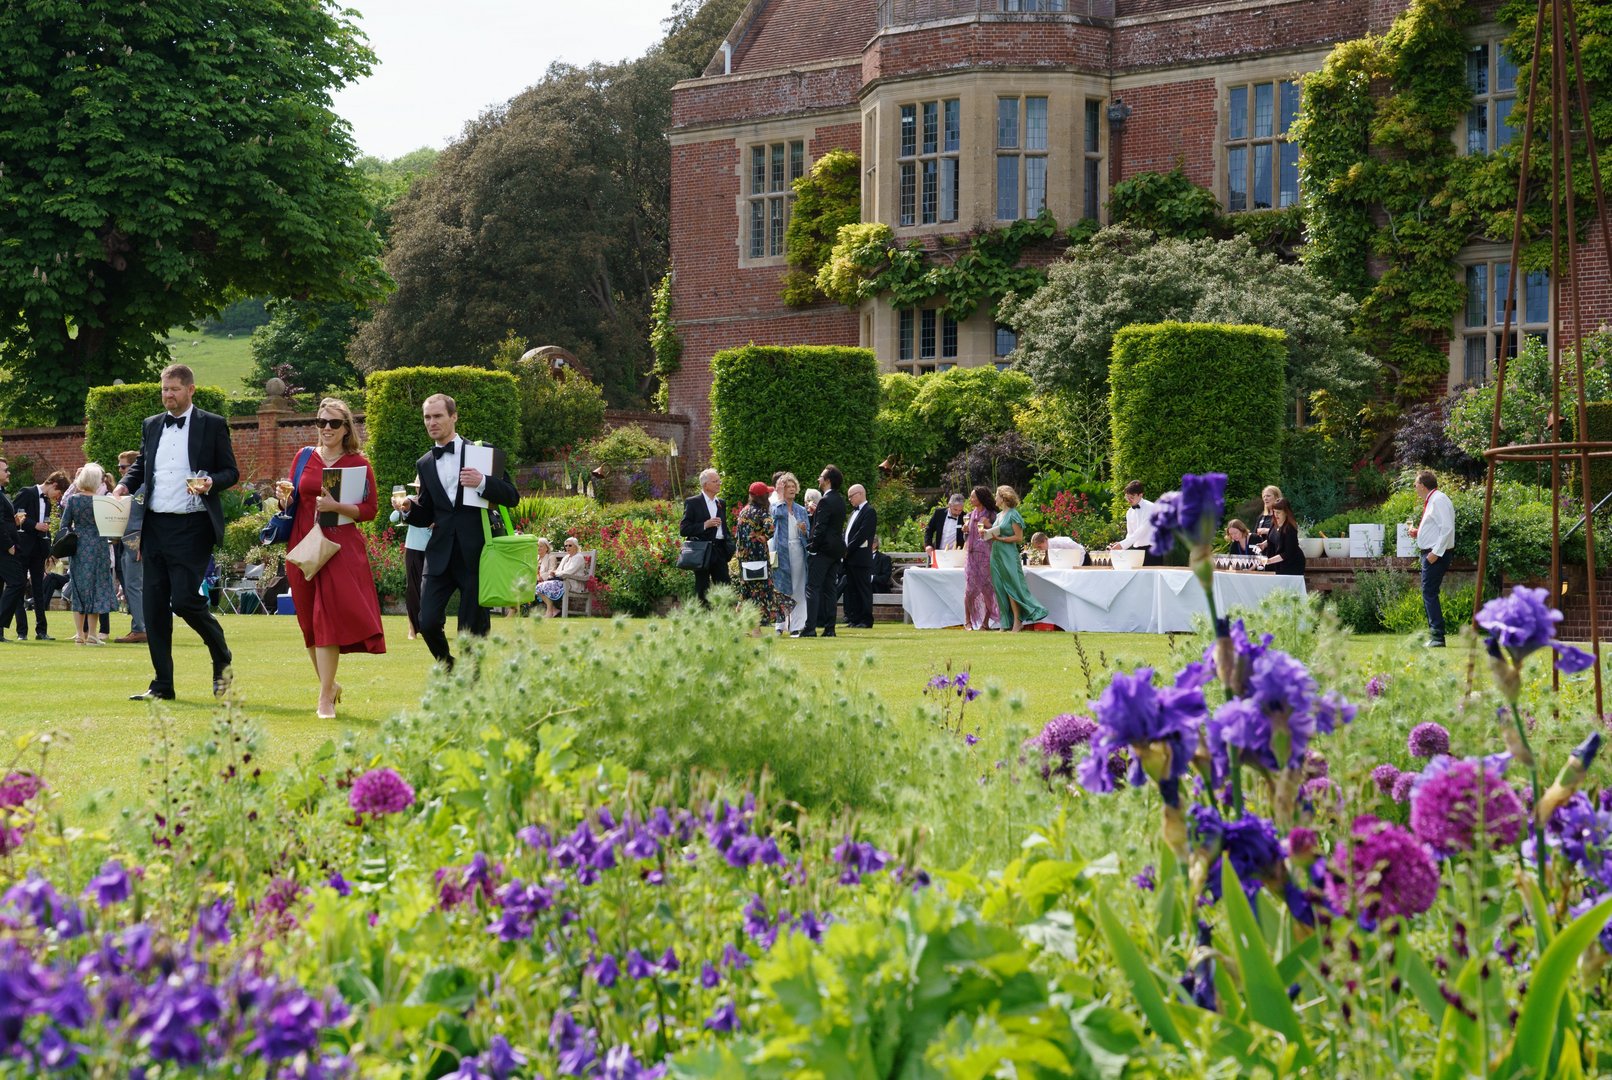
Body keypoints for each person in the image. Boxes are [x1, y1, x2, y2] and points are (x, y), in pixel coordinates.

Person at [114, 364, 238, 701]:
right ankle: (162, 686)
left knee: (184, 601)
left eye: (174, 389)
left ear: (190, 390)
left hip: (193, 526)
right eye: (165, 390)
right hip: (154, 526)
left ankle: (221, 656)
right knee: (154, 609)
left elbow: (231, 471)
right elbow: (142, 465)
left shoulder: (211, 424)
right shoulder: (152, 425)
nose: (168, 395)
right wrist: (125, 485)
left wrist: (212, 482)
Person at [400, 392, 521, 671]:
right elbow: (428, 512)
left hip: (476, 554)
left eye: (438, 416)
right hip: (440, 553)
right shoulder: (425, 463)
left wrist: (482, 482)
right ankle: (449, 666)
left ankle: (471, 682)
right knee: (426, 621)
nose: (432, 422)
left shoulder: (481, 452)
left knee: (472, 629)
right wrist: (409, 508)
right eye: (427, 417)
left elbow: (512, 497)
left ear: (453, 417)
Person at [285, 398, 385, 718]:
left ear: (346, 428)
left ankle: (324, 697)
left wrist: (336, 507)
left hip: (339, 546)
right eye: (321, 422)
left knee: (325, 617)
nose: (326, 429)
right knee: (308, 625)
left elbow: (370, 511)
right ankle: (330, 685)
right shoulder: (303, 457)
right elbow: (293, 500)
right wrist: (282, 501)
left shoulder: (358, 463)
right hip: (302, 544)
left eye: (333, 423)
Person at [57, 464, 117, 645]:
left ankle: (79, 634)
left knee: (78, 588)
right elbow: (111, 527)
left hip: (79, 547)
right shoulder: (101, 500)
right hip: (99, 546)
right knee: (96, 588)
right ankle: (92, 634)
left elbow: (64, 524)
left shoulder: (74, 500)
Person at [986, 485, 1049, 632]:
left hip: (1008, 554)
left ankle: (1017, 621)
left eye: (997, 495)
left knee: (1011, 587)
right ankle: (1005, 622)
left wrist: (999, 539)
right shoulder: (1000, 515)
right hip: (996, 554)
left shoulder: (1013, 514)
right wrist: (987, 533)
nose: (995, 498)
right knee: (1000, 587)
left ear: (1004, 497)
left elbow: (1019, 538)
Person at [13, 471, 65, 641]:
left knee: (39, 590)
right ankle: (22, 632)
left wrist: (49, 551)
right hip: (22, 550)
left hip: (38, 552)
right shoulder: (26, 492)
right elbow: (16, 516)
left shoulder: (48, 503)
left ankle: (41, 631)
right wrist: (35, 525)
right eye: (58, 493)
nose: (58, 497)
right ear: (54, 485)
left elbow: (47, 529)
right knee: (19, 589)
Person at [736, 481, 793, 632]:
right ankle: (756, 629)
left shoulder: (744, 511)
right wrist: (761, 537)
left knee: (746, 592)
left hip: (744, 560)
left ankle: (744, 627)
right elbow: (770, 529)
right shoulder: (762, 512)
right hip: (759, 560)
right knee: (761, 594)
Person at [1409, 470, 1455, 648]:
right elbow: (1437, 527)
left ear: (1422, 485)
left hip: (1435, 555)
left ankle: (1437, 637)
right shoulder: (1433, 500)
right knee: (1429, 593)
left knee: (1429, 593)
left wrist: (1435, 553)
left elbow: (1447, 528)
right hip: (1432, 553)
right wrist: (1418, 533)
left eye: (1415, 485)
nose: (1415, 488)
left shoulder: (1438, 500)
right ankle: (1435, 636)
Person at [802, 466, 847, 637]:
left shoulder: (825, 501)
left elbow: (820, 529)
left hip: (823, 551)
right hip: (836, 551)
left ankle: (810, 628)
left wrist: (812, 548)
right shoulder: (840, 500)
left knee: (812, 588)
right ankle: (830, 628)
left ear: (828, 480)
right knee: (830, 590)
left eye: (821, 477)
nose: (818, 480)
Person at [679, 468, 732, 607]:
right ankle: (703, 618)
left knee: (724, 585)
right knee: (702, 587)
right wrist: (705, 525)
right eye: (715, 481)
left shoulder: (721, 502)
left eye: (719, 481)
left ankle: (724, 618)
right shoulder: (693, 502)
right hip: (703, 550)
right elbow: (684, 529)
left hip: (720, 549)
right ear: (705, 485)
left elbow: (724, 526)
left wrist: (730, 544)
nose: (719, 483)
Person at [387, 484, 430, 637]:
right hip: (413, 548)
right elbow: (393, 518)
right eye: (417, 487)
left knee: (432, 589)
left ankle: (435, 625)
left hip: (433, 549)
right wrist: (400, 508)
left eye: (421, 486)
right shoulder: (410, 500)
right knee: (412, 589)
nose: (419, 489)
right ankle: (412, 627)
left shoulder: (436, 500)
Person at [770, 472, 810, 635]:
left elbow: (807, 531)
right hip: (781, 551)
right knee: (781, 588)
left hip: (798, 551)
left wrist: (804, 530)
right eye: (788, 487)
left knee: (799, 588)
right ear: (782, 490)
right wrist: (779, 497)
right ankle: (780, 625)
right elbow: (777, 515)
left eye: (794, 486)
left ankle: (797, 626)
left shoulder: (800, 509)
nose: (792, 489)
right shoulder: (775, 506)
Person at [113, 453, 146, 643]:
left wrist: (141, 542)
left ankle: (140, 628)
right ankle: (142, 626)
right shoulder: (135, 490)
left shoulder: (142, 487)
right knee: (133, 585)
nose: (120, 470)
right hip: (128, 539)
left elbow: (143, 518)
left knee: (134, 585)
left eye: (124, 467)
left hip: (136, 540)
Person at [963, 486, 1000, 631]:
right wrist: (965, 530)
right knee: (969, 591)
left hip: (986, 557)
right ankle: (968, 622)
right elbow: (969, 536)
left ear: (981, 498)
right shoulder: (970, 515)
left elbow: (997, 534)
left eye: (973, 497)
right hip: (972, 556)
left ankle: (985, 623)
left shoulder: (992, 514)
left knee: (987, 591)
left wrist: (988, 524)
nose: (971, 499)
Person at [842, 483, 877, 628]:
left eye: (852, 496)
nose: (850, 499)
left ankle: (865, 619)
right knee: (852, 590)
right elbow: (848, 534)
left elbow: (862, 534)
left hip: (860, 557)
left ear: (861, 494)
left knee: (863, 589)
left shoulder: (869, 511)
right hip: (850, 558)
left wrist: (846, 550)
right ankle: (854, 618)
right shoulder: (853, 513)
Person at [0, 461, 26, 641]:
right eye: (5, 470)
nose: (9, 473)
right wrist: (9, 544)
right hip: (4, 549)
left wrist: (14, 522)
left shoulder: (2, 493)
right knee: (18, 581)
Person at [1110, 480, 1161, 565]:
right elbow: (1130, 534)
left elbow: (1140, 532)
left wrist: (1122, 545)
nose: (1129, 500)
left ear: (1140, 495)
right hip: (1137, 552)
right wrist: (1120, 544)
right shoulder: (1129, 512)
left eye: (1132, 497)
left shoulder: (1151, 508)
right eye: (1127, 497)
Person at [1259, 498, 1306, 576]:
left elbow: (1287, 553)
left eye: (1278, 512)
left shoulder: (1290, 529)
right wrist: (1263, 544)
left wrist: (1268, 561)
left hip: (1292, 564)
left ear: (1286, 513)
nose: (1275, 515)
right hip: (1279, 563)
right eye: (1274, 512)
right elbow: (1272, 539)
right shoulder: (1274, 523)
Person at [923, 494, 967, 563]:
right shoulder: (939, 513)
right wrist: (928, 545)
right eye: (955, 510)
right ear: (949, 505)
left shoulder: (965, 517)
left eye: (960, 510)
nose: (958, 513)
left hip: (956, 555)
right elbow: (929, 529)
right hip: (938, 552)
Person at [533, 537, 565, 617]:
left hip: (546, 580)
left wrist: (541, 577)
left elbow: (552, 571)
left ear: (547, 548)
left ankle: (550, 611)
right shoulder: (536, 558)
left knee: (536, 587)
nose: (538, 548)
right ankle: (553, 610)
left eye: (541, 546)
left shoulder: (551, 557)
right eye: (537, 546)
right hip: (535, 580)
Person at [1252, 485, 1282, 554]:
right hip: (1263, 555)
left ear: (1277, 497)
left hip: (1278, 554)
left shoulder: (1282, 515)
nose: (1265, 498)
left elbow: (1285, 533)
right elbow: (1254, 535)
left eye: (1268, 496)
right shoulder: (1262, 517)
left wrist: (1267, 531)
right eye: (1264, 496)